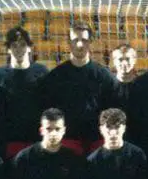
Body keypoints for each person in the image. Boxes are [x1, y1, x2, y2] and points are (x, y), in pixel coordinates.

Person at [38, 22, 117, 155]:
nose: (80, 45)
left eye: (84, 40)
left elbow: (112, 109)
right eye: (76, 40)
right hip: (67, 139)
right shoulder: (55, 76)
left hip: (97, 140)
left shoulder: (105, 76)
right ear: (69, 42)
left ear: (90, 42)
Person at [0, 27, 49, 160]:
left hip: (36, 139)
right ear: (8, 49)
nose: (19, 49)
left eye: (23, 45)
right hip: (10, 141)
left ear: (29, 48)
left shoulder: (42, 72)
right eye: (14, 45)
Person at [111, 43, 138, 112]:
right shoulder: (107, 85)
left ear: (135, 60)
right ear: (114, 61)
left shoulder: (143, 85)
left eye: (128, 59)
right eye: (120, 59)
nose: (124, 63)